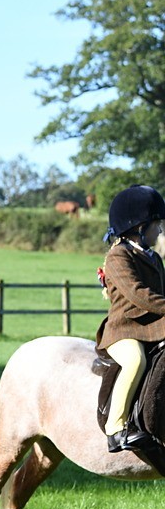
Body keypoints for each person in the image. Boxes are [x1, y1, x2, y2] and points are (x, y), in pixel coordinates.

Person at [96, 184, 165, 452]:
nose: (159, 230)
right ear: (138, 226)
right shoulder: (117, 256)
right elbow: (139, 295)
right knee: (136, 361)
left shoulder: (154, 258)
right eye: (155, 224)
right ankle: (116, 428)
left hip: (153, 325)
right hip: (124, 330)